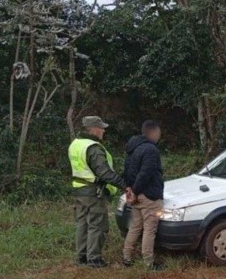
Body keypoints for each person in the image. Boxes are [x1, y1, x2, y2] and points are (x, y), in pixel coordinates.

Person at [69, 116, 133, 268]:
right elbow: (104, 173)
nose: (104, 130)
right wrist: (125, 185)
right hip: (93, 192)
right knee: (97, 225)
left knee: (82, 224)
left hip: (79, 190)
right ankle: (94, 260)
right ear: (94, 129)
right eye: (102, 128)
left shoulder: (76, 143)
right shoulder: (94, 148)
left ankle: (81, 258)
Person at [122, 120, 165, 270]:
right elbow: (146, 173)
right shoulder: (151, 150)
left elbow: (126, 172)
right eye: (159, 133)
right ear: (153, 133)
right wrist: (136, 190)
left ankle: (126, 257)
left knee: (135, 226)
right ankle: (148, 262)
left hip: (135, 195)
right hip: (149, 195)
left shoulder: (132, 148)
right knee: (149, 229)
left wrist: (129, 190)